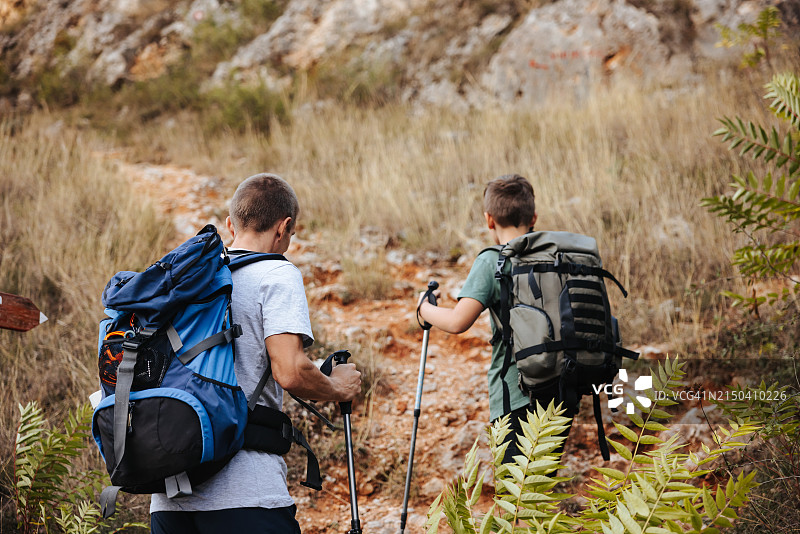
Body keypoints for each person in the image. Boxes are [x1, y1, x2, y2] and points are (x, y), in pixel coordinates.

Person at [149, 173, 362, 533]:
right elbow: (291, 370)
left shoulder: (186, 280)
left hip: (169, 497)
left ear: (230, 224)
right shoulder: (277, 274)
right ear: (284, 228)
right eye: (291, 234)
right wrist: (337, 387)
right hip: (246, 496)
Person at [416, 174, 574, 461]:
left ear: (489, 220)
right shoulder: (557, 259)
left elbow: (457, 322)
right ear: (534, 217)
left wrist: (423, 309)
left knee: (517, 495)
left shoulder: (492, 261)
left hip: (514, 395)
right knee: (541, 489)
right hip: (562, 393)